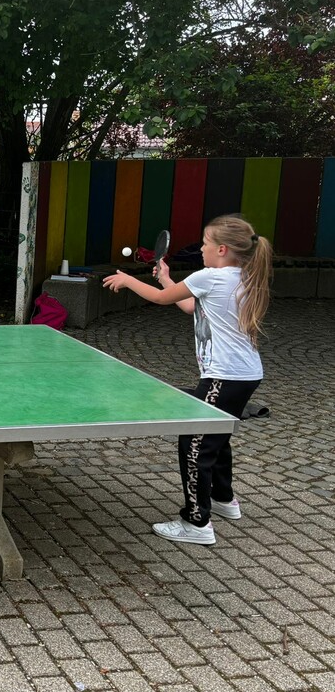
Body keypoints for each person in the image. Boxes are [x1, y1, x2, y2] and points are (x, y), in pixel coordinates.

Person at [102, 215, 272, 546]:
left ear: (222, 249)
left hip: (224, 376)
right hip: (246, 375)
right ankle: (224, 499)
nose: (201, 250)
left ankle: (197, 523)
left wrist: (128, 280)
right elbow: (190, 306)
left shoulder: (210, 276)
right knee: (217, 435)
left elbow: (161, 300)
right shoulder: (242, 275)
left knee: (195, 442)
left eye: (205, 244)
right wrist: (165, 278)